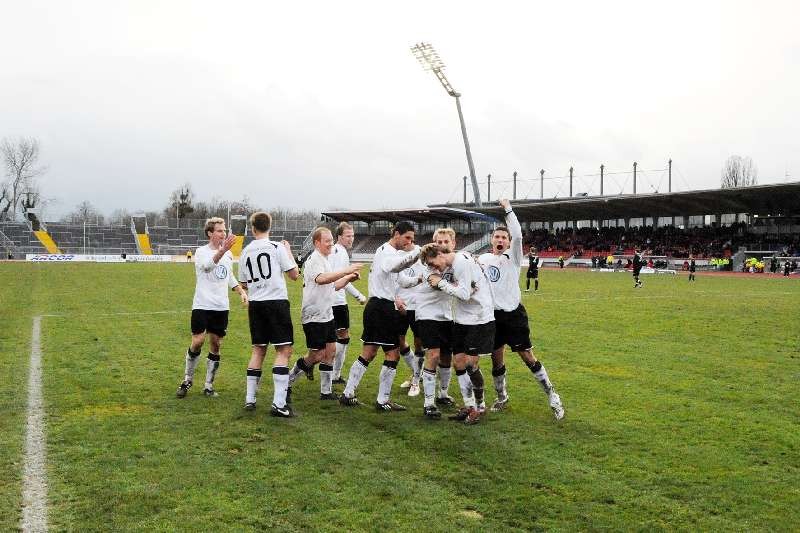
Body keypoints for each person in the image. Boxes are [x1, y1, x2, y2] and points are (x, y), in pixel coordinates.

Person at [478, 199, 565, 420]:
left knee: (527, 356)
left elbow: (517, 234)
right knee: (496, 359)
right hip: (492, 317)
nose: (500, 240)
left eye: (504, 237)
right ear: (492, 239)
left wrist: (508, 209)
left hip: (513, 316)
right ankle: (502, 397)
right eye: (497, 237)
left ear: (508, 242)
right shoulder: (484, 259)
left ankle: (552, 395)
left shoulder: (513, 257)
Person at [339, 221, 419, 411]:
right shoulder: (386, 251)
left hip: (380, 307)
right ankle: (382, 400)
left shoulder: (392, 253)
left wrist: (420, 279)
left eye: (412, 239)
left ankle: (348, 394)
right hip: (381, 308)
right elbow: (395, 267)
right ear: (396, 234)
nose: (409, 242)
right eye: (407, 237)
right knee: (392, 353)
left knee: (369, 352)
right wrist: (417, 253)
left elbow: (402, 280)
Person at [422, 244, 495, 425]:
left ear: (440, 254)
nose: (434, 268)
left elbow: (464, 294)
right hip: (462, 319)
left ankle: (479, 406)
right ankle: (470, 406)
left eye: (433, 263)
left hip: (478, 318)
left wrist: (442, 283)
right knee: (459, 362)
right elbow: (465, 289)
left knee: (470, 364)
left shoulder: (461, 262)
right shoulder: (456, 263)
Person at [287, 227, 362, 403]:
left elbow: (333, 285)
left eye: (331, 240)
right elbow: (321, 279)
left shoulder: (325, 259)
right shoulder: (314, 259)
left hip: (326, 314)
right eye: (327, 241)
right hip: (313, 315)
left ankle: (326, 392)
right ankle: (287, 382)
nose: (330, 244)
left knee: (331, 351)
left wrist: (348, 278)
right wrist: (346, 271)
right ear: (317, 243)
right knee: (317, 355)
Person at [177, 217, 248, 399]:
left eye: (224, 231)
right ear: (210, 233)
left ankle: (208, 385)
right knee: (198, 341)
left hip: (221, 306)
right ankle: (187, 379)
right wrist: (222, 250)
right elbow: (207, 267)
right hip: (202, 304)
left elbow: (228, 275)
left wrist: (240, 291)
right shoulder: (201, 252)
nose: (223, 234)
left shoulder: (228, 255)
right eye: (219, 231)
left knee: (216, 345)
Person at [238, 211, 300, 417]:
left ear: (253, 228)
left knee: (258, 350)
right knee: (283, 350)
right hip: (276, 303)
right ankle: (278, 404)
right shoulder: (276, 247)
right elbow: (294, 275)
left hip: (256, 305)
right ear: (269, 226)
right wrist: (288, 251)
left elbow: (243, 283)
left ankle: (250, 399)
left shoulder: (245, 251)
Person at [329, 222, 367, 385]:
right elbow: (341, 279)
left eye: (353, 235)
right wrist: (359, 296)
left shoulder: (336, 250)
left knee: (337, 338)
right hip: (336, 301)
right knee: (342, 338)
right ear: (339, 236)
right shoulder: (340, 252)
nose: (351, 239)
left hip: (331, 299)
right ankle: (330, 372)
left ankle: (333, 373)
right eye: (348, 236)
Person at [396, 243, 425, 397]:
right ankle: (417, 373)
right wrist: (395, 298)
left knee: (419, 343)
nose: (407, 241)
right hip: (399, 304)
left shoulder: (420, 252)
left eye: (410, 237)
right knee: (398, 341)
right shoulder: (394, 254)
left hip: (417, 306)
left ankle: (415, 380)